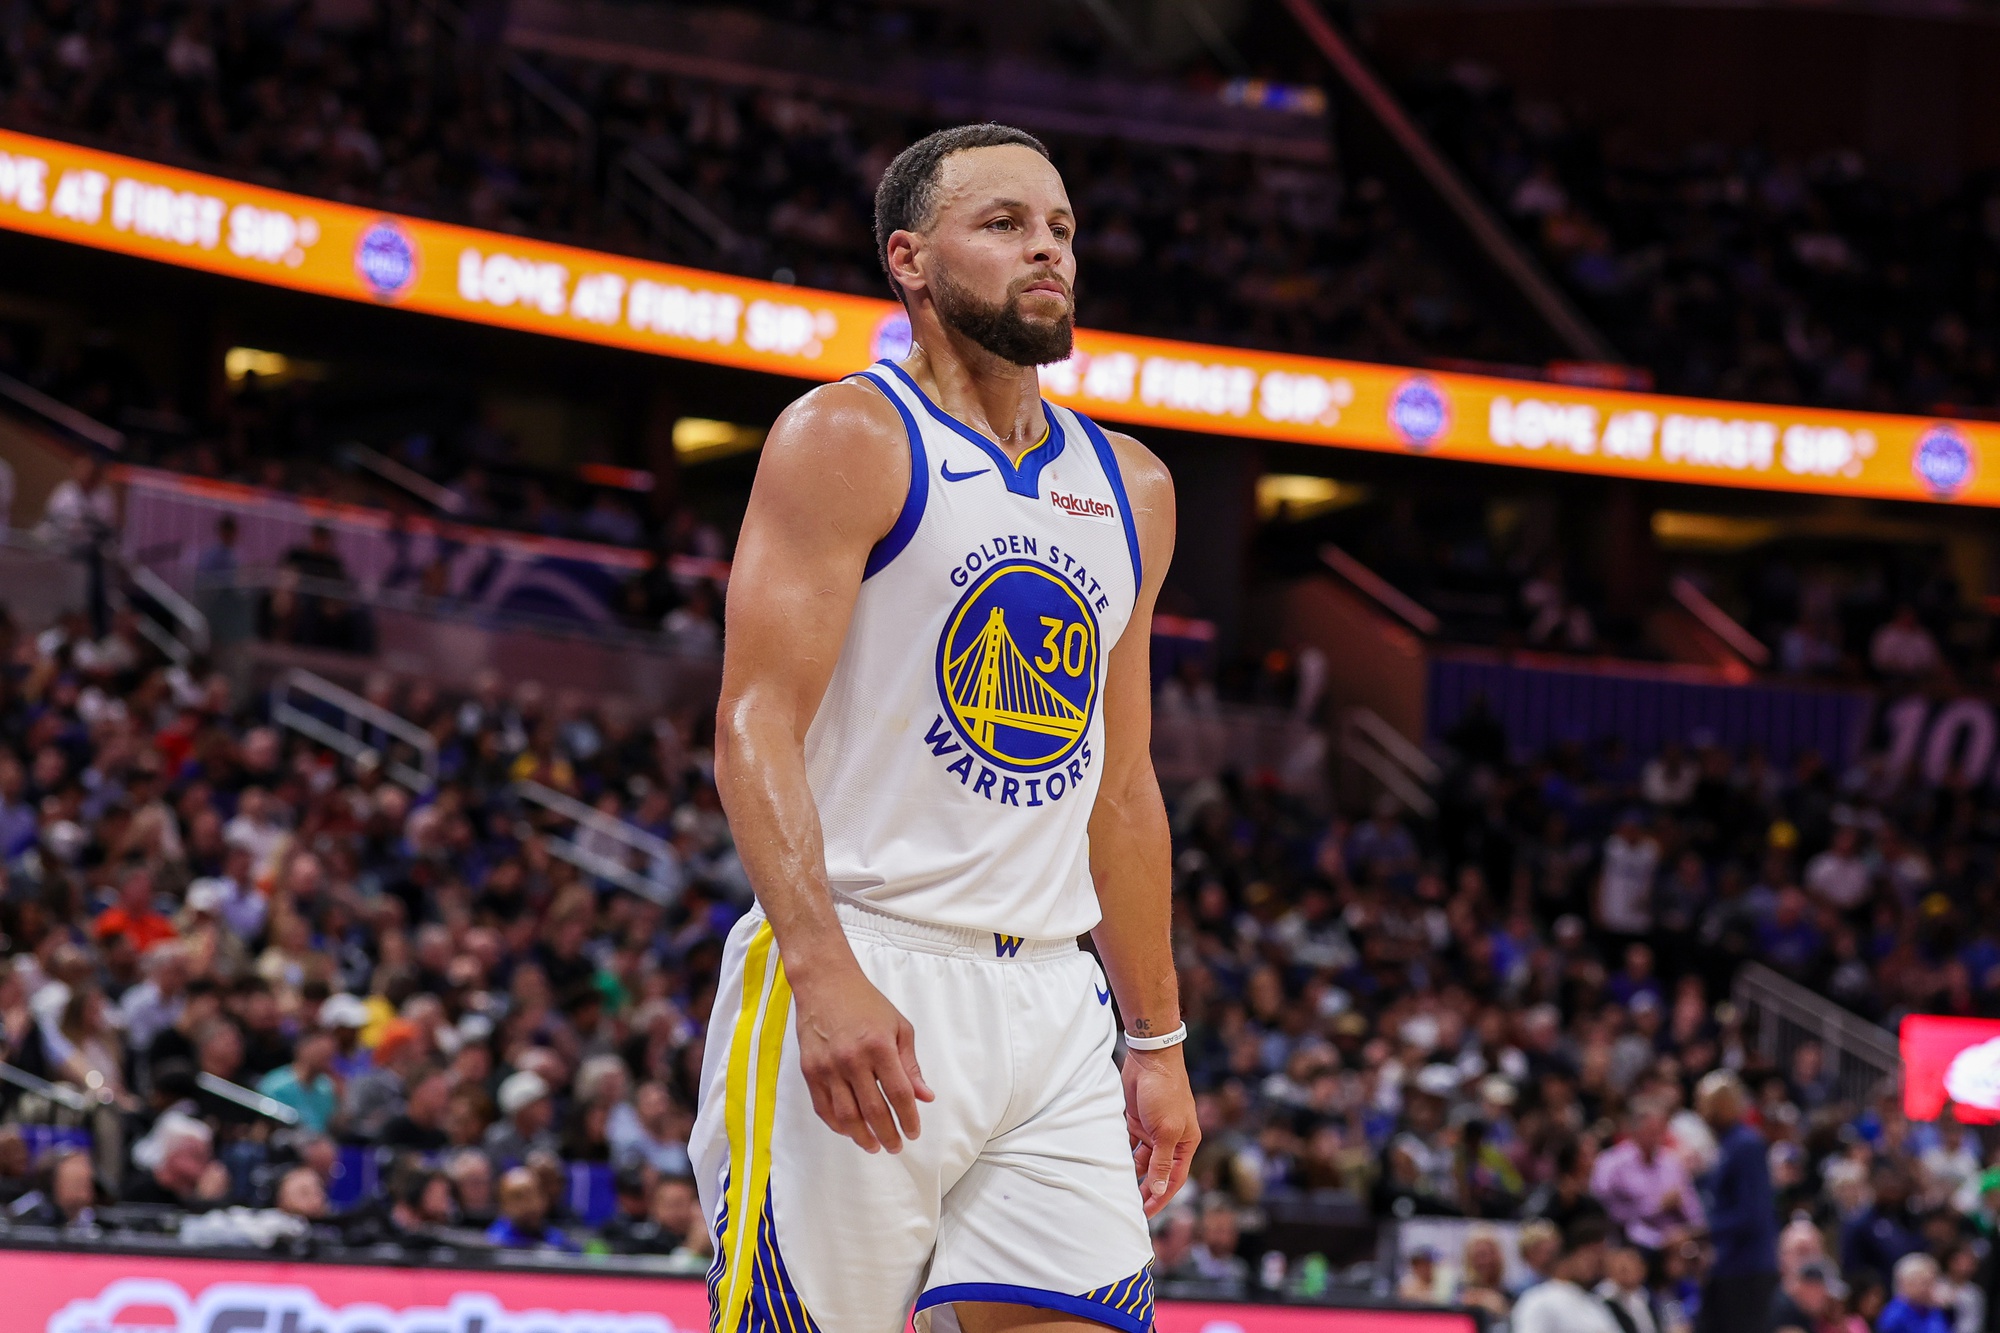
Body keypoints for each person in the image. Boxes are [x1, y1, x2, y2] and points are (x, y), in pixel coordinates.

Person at [693, 123, 1194, 1333]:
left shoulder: (1129, 486)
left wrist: (1159, 1039)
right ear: (910, 262)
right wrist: (819, 970)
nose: (1048, 252)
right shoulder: (847, 439)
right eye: (1006, 225)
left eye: (1061, 228)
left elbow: (1120, 792)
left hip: (1051, 1003)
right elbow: (752, 723)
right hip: (867, 956)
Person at [1695, 1071, 1778, 1333]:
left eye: (1706, 1104)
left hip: (1746, 1269)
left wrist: (1704, 1232)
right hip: (1731, 1267)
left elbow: (1751, 1213)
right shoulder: (1729, 1144)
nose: (1702, 1112)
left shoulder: (1746, 1145)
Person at [1592, 1098, 1706, 1251]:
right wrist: (1657, 1205)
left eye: (1659, 1131)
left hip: (1677, 1241)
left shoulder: (1672, 1162)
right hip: (1630, 1242)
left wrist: (1690, 1232)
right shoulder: (1611, 1163)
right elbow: (1608, 1212)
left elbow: (1693, 1208)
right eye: (1650, 1131)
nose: (1656, 1138)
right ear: (1633, 1131)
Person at [1513, 1216, 1621, 1333]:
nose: (1595, 1264)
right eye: (1590, 1256)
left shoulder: (1595, 1303)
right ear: (1570, 1254)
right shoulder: (1537, 1300)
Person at [485, 1166, 576, 1252]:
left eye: (534, 1194)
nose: (530, 1204)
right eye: (518, 1197)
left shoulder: (558, 1240)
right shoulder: (494, 1243)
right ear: (503, 1204)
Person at [1878, 1254, 1951, 1333]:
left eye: (1932, 1281)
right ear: (1905, 1284)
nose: (1930, 1288)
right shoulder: (1895, 1317)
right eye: (1924, 1282)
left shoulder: (1933, 1308)